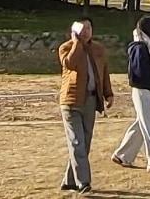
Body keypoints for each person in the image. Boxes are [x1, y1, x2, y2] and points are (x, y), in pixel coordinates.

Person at [57, 17, 114, 193]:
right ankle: (84, 182)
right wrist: (76, 43)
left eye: (89, 27)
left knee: (85, 143)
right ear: (75, 30)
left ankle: (69, 180)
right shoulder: (66, 48)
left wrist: (108, 93)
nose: (86, 31)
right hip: (71, 102)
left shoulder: (98, 49)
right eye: (82, 28)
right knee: (77, 142)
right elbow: (69, 63)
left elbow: (103, 73)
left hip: (90, 100)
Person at [112, 16, 150, 173]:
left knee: (141, 124)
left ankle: (123, 155)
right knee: (149, 126)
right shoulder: (139, 47)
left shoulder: (148, 47)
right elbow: (140, 72)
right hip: (141, 90)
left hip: (148, 90)